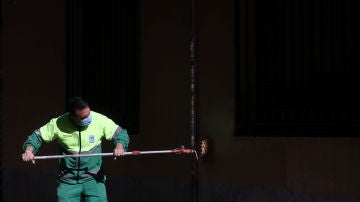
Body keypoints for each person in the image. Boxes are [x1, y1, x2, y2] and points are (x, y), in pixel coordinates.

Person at [22, 97, 130, 202]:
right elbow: (36, 136)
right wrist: (28, 151)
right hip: (67, 181)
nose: (88, 119)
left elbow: (121, 134)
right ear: (72, 116)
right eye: (83, 117)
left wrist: (119, 147)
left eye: (89, 114)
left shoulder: (99, 120)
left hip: (94, 179)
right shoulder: (58, 123)